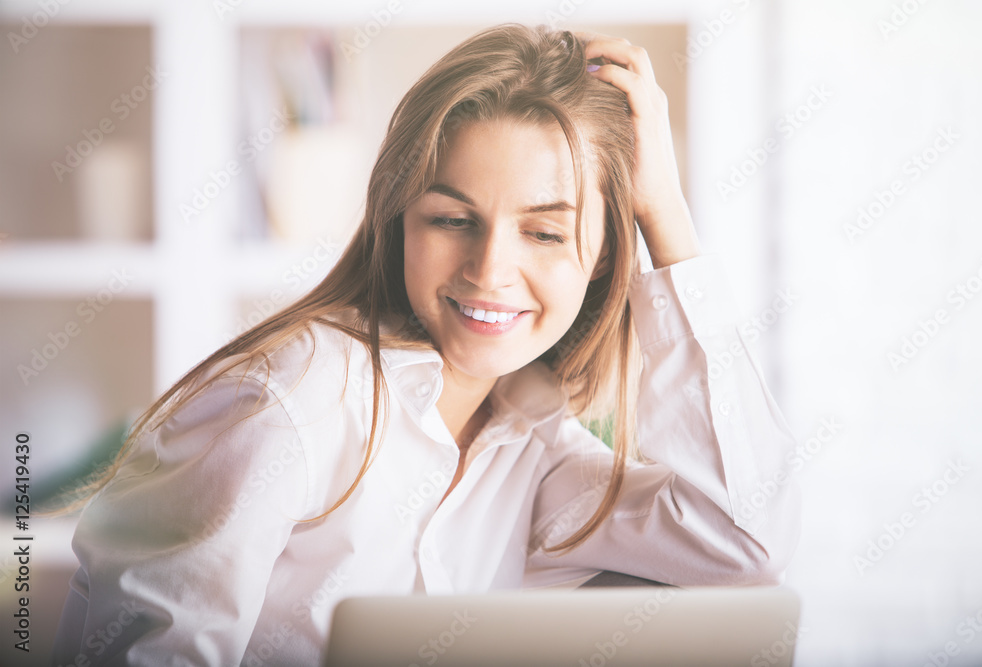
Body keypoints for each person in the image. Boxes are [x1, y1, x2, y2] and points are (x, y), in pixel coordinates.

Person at [49, 23, 800, 666]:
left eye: (544, 232)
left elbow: (743, 546)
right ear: (398, 220)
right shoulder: (288, 402)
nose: (489, 270)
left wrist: (666, 219)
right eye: (452, 219)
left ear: (603, 256)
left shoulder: (537, 451)